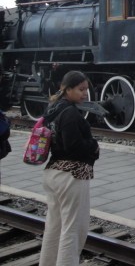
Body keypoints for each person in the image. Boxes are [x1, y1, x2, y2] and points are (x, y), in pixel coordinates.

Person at [39, 70, 100, 266]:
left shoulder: (53, 108)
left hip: (53, 173)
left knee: (54, 227)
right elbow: (73, 146)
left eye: (86, 90)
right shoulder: (71, 113)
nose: (85, 94)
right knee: (73, 231)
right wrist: (94, 146)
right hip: (71, 176)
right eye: (81, 89)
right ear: (68, 89)